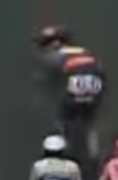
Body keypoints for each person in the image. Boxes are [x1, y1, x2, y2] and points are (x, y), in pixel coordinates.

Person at [34, 26, 106, 158]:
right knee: (90, 123)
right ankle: (94, 154)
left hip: (73, 92)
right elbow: (101, 72)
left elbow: (45, 80)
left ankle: (62, 153)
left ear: (55, 43)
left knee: (63, 120)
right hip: (94, 90)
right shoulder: (86, 52)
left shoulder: (54, 56)